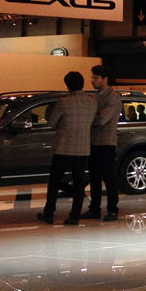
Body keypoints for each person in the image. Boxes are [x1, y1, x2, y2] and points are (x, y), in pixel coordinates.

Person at [37, 71, 96, 225]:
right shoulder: (92, 102)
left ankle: (49, 213)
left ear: (68, 85)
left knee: (55, 181)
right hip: (82, 147)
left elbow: (52, 123)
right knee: (79, 183)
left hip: (63, 147)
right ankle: (75, 216)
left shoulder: (63, 102)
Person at [85, 64, 123, 221]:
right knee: (94, 177)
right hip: (94, 142)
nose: (92, 80)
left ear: (105, 79)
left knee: (109, 177)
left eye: (96, 78)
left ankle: (112, 209)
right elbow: (97, 117)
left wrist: (90, 117)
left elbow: (102, 120)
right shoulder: (95, 96)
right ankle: (95, 208)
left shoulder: (113, 97)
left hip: (107, 142)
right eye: (92, 77)